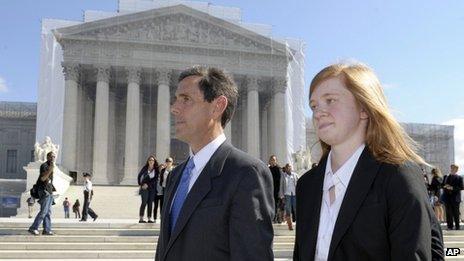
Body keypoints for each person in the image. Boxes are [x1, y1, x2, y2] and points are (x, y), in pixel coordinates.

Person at [293, 62, 444, 260]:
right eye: (314, 105)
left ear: (364, 108)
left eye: (330, 100)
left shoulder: (398, 176)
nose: (318, 112)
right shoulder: (307, 184)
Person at [155, 66, 274, 261]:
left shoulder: (246, 173)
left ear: (218, 106)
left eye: (186, 99)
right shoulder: (176, 176)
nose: (174, 108)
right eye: (176, 99)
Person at [28, 151, 56, 236]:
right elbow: (43, 179)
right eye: (51, 156)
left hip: (49, 191)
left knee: (48, 212)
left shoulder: (51, 166)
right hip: (44, 191)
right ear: (47, 157)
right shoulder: (44, 166)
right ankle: (33, 228)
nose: (53, 158)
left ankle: (47, 230)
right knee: (44, 211)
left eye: (54, 157)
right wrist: (50, 169)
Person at [137, 155, 159, 223]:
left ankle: (149, 218)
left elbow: (155, 179)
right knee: (144, 202)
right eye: (150, 160)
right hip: (144, 188)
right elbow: (139, 176)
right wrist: (141, 185)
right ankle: (141, 218)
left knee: (150, 203)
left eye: (152, 160)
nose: (151, 161)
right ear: (148, 161)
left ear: (154, 161)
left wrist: (148, 184)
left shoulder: (156, 169)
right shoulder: (145, 168)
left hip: (152, 188)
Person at [442, 164, 463, 230]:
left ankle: (457, 226)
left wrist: (452, 188)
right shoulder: (446, 176)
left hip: (456, 198)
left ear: (457, 170)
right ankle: (450, 226)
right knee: (448, 213)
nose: (452, 169)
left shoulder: (459, 177)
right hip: (447, 197)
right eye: (451, 168)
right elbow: (442, 185)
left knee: (456, 213)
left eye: (454, 168)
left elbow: (461, 187)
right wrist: (445, 186)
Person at [279, 163, 298, 230]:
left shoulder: (295, 175)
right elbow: (281, 185)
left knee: (296, 208)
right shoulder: (283, 176)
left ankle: (299, 223)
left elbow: (298, 184)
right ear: (286, 169)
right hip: (287, 194)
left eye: (290, 167)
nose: (289, 168)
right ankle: (290, 225)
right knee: (288, 209)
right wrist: (282, 196)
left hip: (294, 194)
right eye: (287, 167)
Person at [155, 157, 174, 221]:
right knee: (163, 202)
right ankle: (162, 215)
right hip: (164, 187)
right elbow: (161, 178)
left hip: (172, 188)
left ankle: (170, 215)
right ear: (165, 162)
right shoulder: (163, 170)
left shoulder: (174, 169)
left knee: (171, 201)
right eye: (167, 161)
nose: (168, 163)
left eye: (170, 161)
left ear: (172, 162)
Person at [269, 155, 283, 223]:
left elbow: (280, 181)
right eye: (271, 160)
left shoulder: (278, 169)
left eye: (274, 160)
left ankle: (277, 218)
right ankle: (272, 217)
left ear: (276, 161)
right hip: (269, 189)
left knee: (277, 204)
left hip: (276, 190)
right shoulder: (268, 169)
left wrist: (280, 192)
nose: (273, 161)